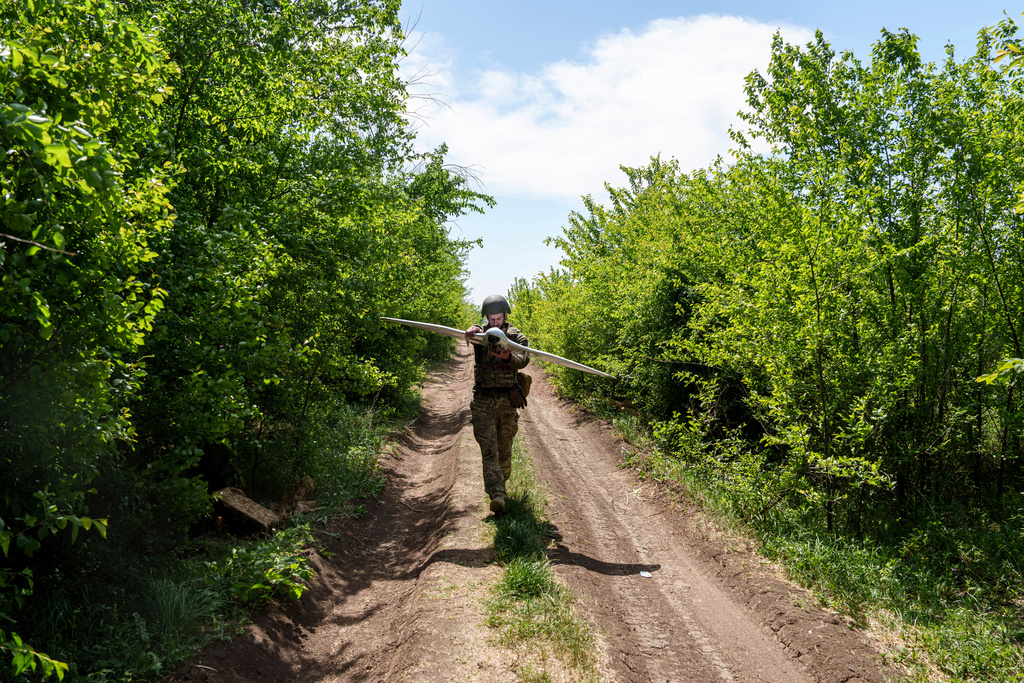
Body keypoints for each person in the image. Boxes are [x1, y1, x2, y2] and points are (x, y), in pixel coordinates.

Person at [465, 294, 530, 514]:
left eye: (498, 319)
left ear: (505, 315)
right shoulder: (479, 334)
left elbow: (524, 359)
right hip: (482, 400)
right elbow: (471, 334)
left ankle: (502, 485)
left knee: (504, 451)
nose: (494, 323)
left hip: (506, 402)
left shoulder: (516, 337)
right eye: (490, 320)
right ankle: (497, 495)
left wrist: (506, 356)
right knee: (489, 451)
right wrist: (472, 331)